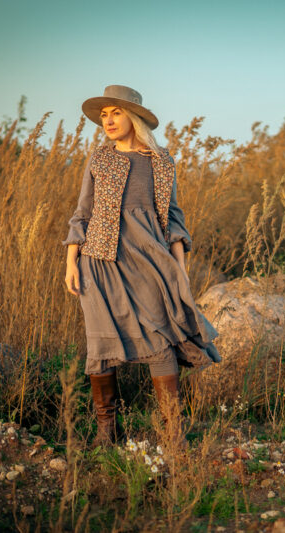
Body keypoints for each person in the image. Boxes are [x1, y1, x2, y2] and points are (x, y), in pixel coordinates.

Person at [63, 85, 220, 448]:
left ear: (132, 117)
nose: (108, 121)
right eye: (104, 115)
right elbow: (83, 211)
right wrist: (71, 260)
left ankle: (172, 432)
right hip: (99, 260)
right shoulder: (99, 159)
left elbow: (174, 218)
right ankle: (108, 431)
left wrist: (178, 270)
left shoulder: (160, 160)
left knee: (160, 339)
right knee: (100, 346)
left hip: (149, 260)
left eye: (115, 113)